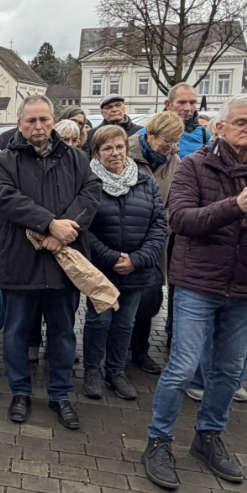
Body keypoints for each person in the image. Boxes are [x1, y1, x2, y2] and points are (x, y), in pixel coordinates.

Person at [142, 94, 247, 491]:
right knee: (181, 367)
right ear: (221, 127)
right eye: (242, 122)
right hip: (199, 281)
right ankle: (158, 440)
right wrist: (236, 204)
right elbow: (179, 219)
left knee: (230, 371)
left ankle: (209, 436)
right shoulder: (196, 165)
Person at [0, 95, 101, 430]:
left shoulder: (77, 158)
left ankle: (60, 394)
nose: (38, 127)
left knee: (64, 332)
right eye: (30, 121)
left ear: (53, 120)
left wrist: (63, 230)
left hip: (63, 260)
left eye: (43, 120)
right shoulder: (3, 161)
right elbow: (6, 199)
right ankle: (20, 392)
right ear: (19, 123)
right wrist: (48, 224)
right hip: (19, 260)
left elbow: (91, 194)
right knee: (16, 332)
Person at [82, 126, 167, 400]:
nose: (115, 153)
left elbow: (158, 225)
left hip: (136, 269)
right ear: (97, 152)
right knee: (99, 321)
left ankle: (116, 370)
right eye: (107, 148)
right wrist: (109, 256)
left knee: (125, 324)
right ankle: (92, 370)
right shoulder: (87, 182)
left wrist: (138, 259)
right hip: (101, 269)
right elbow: (82, 227)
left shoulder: (145, 182)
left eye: (119, 147)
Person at [127, 111, 184, 372]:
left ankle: (140, 350)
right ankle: (114, 351)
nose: (171, 146)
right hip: (124, 235)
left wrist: (163, 224)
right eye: (166, 140)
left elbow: (178, 202)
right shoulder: (127, 152)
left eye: (175, 141)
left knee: (149, 297)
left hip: (156, 239)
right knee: (120, 296)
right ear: (149, 134)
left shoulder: (175, 161)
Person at [160, 84, 209, 159]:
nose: (188, 108)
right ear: (168, 104)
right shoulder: (148, 133)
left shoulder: (205, 134)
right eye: (182, 102)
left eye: (192, 103)